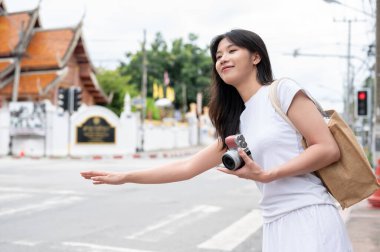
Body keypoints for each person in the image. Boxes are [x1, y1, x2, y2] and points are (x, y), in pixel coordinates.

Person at [81, 29, 353, 252]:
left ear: (256, 57)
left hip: (309, 214)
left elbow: (326, 148)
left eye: (232, 51)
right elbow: (186, 168)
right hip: (273, 224)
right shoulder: (239, 122)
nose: (222, 58)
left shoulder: (281, 91)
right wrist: (126, 176)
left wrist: (270, 174)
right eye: (218, 55)